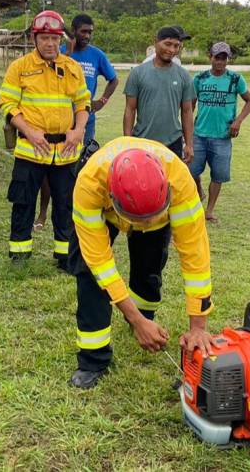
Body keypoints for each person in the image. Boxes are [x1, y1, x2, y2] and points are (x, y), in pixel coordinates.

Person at [68, 136, 213, 388]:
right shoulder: (89, 186)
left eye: (150, 218)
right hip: (104, 213)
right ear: (111, 197)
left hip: (160, 209)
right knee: (88, 273)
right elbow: (100, 264)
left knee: (150, 267)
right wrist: (136, 321)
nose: (143, 225)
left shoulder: (180, 182)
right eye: (138, 220)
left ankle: (145, 316)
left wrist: (198, 326)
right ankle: (93, 358)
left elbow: (196, 259)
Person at [0, 10, 90, 267]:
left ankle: (64, 257)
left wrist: (79, 129)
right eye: (44, 38)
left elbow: (83, 103)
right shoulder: (20, 67)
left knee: (65, 205)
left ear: (61, 39)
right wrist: (29, 131)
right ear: (35, 39)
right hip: (31, 149)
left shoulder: (72, 68)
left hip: (66, 149)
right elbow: (7, 104)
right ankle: (19, 254)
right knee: (23, 201)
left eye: (54, 38)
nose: (50, 43)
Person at [34, 13, 118, 231]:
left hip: (84, 121)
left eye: (90, 32)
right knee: (49, 167)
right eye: (83, 31)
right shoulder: (57, 52)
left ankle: (74, 211)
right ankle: (43, 212)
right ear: (73, 31)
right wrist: (68, 52)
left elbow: (113, 79)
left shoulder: (97, 55)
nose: (87, 36)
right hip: (58, 121)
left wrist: (102, 101)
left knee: (79, 166)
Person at [189, 41, 250, 223]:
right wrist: (188, 131)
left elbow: (249, 101)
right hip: (199, 134)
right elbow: (190, 106)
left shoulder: (235, 79)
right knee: (191, 172)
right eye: (217, 57)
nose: (221, 62)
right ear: (211, 57)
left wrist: (238, 121)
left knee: (218, 175)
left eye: (224, 58)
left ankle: (209, 210)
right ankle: (199, 190)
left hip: (223, 136)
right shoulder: (200, 79)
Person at [123, 26, 196, 163]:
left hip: (173, 143)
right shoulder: (137, 73)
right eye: (167, 44)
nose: (172, 50)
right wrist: (128, 141)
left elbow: (187, 112)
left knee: (170, 183)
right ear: (156, 42)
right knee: (142, 183)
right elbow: (130, 109)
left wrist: (189, 144)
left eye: (176, 46)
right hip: (142, 141)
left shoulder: (184, 75)